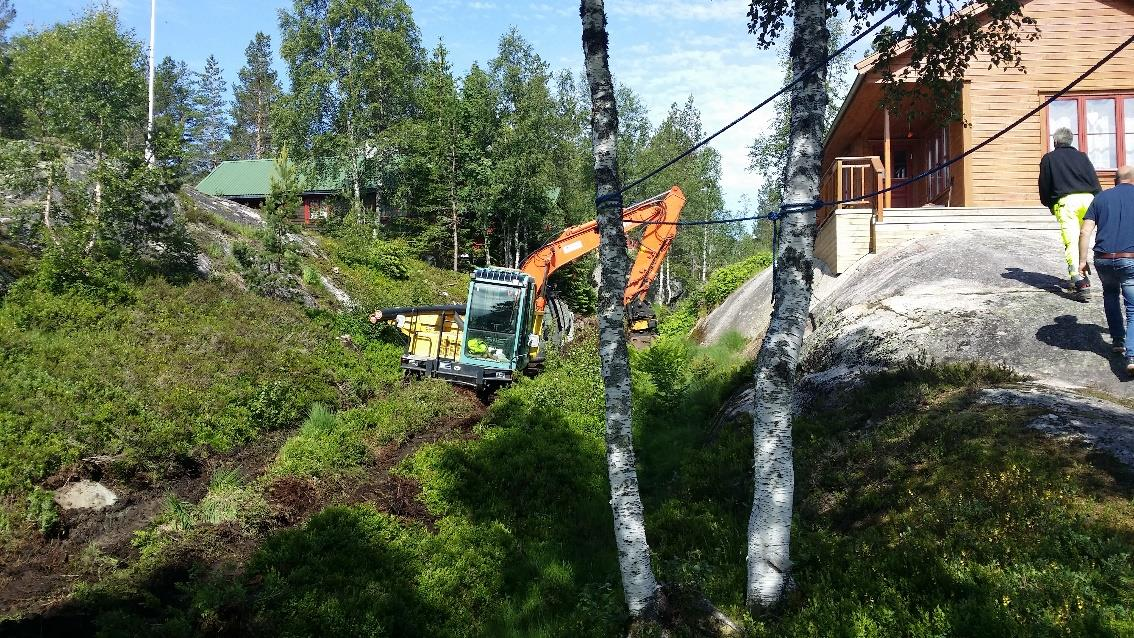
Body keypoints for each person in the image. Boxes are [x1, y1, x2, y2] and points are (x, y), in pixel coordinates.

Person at [1079, 165, 1134, 373]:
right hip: (1130, 260)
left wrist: (1082, 261)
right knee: (1133, 307)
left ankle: (1118, 341)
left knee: (1110, 295)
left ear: (1115, 180)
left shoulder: (1100, 198)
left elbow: (1085, 232)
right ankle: (1132, 355)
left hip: (1103, 259)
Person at [1040, 127, 1102, 301]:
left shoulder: (1049, 158)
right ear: (1070, 141)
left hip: (1067, 202)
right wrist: (1099, 200)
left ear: (1055, 142)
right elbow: (1094, 180)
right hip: (1089, 200)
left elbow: (1045, 185)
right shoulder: (1083, 156)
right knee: (1086, 237)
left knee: (1071, 240)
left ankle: (1079, 280)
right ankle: (1084, 273)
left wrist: (1049, 204)